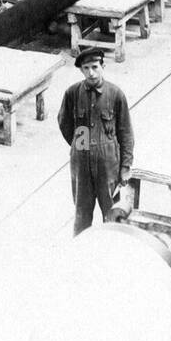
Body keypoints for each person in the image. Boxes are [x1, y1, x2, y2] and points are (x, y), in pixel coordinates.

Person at [58, 47, 134, 235]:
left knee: (112, 213)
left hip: (108, 166)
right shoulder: (73, 93)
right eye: (86, 68)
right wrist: (80, 145)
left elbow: (125, 132)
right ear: (81, 70)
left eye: (94, 67)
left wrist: (125, 166)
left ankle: (112, 251)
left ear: (103, 66)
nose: (91, 73)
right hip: (81, 165)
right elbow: (65, 123)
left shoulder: (116, 95)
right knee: (82, 214)